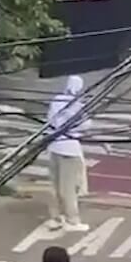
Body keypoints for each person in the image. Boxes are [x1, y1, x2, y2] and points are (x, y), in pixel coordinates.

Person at [42, 74, 91, 231]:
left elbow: (49, 121)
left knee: (55, 186)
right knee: (69, 187)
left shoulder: (56, 101)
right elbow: (86, 125)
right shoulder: (77, 106)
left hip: (54, 147)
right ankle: (72, 220)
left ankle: (56, 217)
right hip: (70, 149)